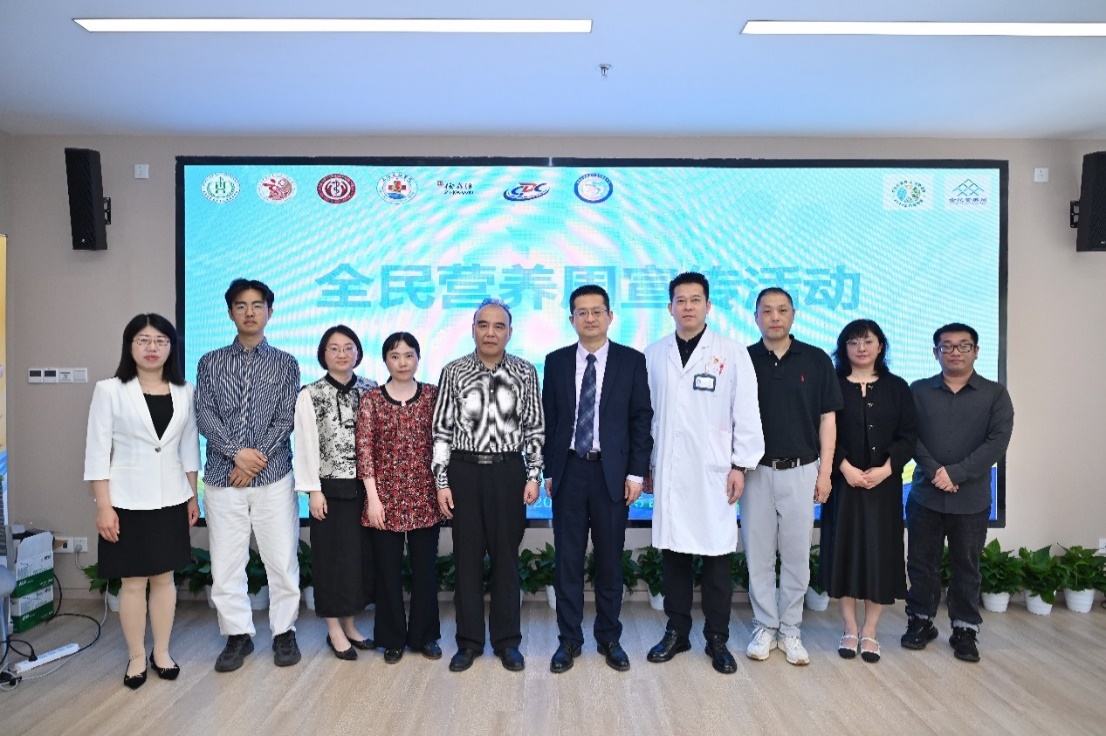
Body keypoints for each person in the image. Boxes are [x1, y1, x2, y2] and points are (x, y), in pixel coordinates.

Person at [643, 272, 764, 675]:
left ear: (708, 306)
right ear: (670, 307)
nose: (688, 307)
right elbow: (645, 416)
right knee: (674, 557)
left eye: (696, 300)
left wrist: (740, 465)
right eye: (680, 300)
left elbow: (746, 411)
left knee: (716, 561)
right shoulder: (654, 354)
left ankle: (717, 638)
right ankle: (677, 632)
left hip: (715, 473)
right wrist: (646, 465)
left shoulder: (731, 352)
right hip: (669, 470)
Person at [83, 313, 200, 689]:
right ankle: (136, 656)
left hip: (171, 498)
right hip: (126, 501)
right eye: (144, 340)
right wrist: (104, 506)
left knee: (165, 579)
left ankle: (161, 652)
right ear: (129, 345)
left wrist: (192, 496)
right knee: (133, 582)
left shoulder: (185, 390)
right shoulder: (109, 390)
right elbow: (97, 452)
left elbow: (189, 448)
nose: (152, 348)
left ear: (171, 347)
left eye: (161, 341)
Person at [542, 285, 653, 674]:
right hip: (570, 471)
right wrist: (549, 470)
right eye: (581, 312)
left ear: (610, 316)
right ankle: (569, 639)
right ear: (571, 318)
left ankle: (609, 637)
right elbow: (551, 419)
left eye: (596, 311)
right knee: (568, 561)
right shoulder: (556, 361)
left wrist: (636, 472)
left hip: (613, 474)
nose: (589, 318)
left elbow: (641, 419)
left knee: (609, 561)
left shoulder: (631, 361)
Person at [432, 298, 544, 673]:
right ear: (473, 329)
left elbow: (535, 428)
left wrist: (533, 475)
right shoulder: (453, 371)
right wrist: (442, 481)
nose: (490, 332)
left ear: (510, 332)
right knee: (466, 560)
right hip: (463, 472)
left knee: (506, 561)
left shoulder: (525, 371)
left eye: (499, 326)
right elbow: (441, 431)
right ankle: (469, 642)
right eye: (483, 325)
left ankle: (507, 642)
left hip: (507, 472)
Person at [195, 278, 302, 672]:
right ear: (230, 313)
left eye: (258, 305)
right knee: (226, 564)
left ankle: (284, 631)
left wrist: (255, 460)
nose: (250, 312)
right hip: (223, 478)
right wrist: (236, 454)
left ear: (270, 312)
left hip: (273, 476)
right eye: (241, 305)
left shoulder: (286, 363)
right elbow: (204, 413)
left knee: (281, 560)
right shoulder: (210, 362)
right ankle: (237, 634)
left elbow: (286, 417)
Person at [902, 323, 1013, 663]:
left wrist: (956, 473)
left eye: (963, 346)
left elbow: (997, 442)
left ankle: (965, 629)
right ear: (935, 352)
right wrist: (936, 472)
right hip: (926, 495)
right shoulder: (918, 390)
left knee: (967, 566)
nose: (955, 352)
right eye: (946, 346)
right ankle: (921, 621)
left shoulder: (995, 394)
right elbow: (908, 435)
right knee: (921, 563)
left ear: (976, 351)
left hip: (971, 499)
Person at [743, 287, 843, 666]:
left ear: (793, 315)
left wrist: (825, 473)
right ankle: (764, 626)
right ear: (755, 317)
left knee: (797, 556)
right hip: (755, 471)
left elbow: (827, 419)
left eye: (782, 310)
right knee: (759, 555)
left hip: (803, 470)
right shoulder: (744, 359)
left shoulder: (816, 360)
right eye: (767, 311)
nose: (775, 317)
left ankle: (790, 630)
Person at [820, 319, 917, 663]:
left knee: (880, 553)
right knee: (844, 553)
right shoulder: (832, 384)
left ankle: (871, 630)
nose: (861, 348)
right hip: (843, 484)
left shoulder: (897, 387)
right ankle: (849, 627)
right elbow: (821, 430)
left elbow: (909, 434)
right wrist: (843, 467)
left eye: (868, 341)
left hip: (883, 485)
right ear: (843, 348)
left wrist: (888, 469)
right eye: (853, 342)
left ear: (880, 346)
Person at [357, 332, 444, 664]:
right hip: (384, 500)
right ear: (385, 360)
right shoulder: (372, 400)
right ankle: (391, 638)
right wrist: (373, 498)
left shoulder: (432, 396)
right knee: (387, 573)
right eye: (395, 356)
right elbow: (364, 451)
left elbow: (443, 444)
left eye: (409, 355)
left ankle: (425, 637)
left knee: (425, 571)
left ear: (418, 358)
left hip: (425, 497)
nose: (403, 362)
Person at [294, 325, 376, 660]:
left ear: (358, 352)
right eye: (334, 348)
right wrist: (313, 491)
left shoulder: (371, 390)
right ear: (322, 354)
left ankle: (350, 624)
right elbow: (304, 445)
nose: (342, 354)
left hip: (365, 489)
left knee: (358, 560)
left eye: (348, 347)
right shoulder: (310, 394)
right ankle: (333, 629)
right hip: (328, 490)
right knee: (331, 560)